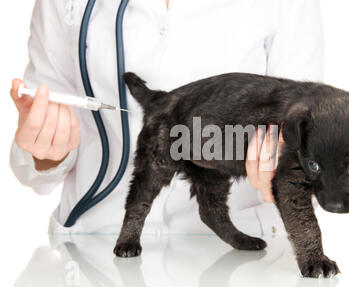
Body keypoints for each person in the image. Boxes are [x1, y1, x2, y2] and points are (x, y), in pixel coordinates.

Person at [9, 0, 324, 236]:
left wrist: (285, 153)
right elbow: (37, 169)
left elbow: (307, 122)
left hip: (238, 258)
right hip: (95, 248)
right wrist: (45, 152)